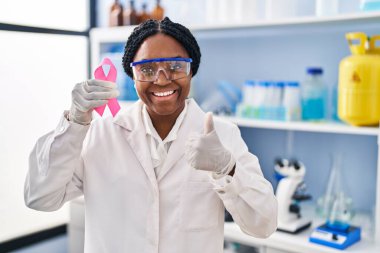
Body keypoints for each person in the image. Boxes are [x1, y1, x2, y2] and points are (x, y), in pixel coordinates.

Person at [24, 17, 277, 253]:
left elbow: (264, 224)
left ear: (191, 70)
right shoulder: (99, 133)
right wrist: (74, 123)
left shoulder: (222, 136)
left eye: (176, 66)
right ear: (132, 76)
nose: (162, 79)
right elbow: (39, 197)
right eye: (147, 69)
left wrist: (227, 168)